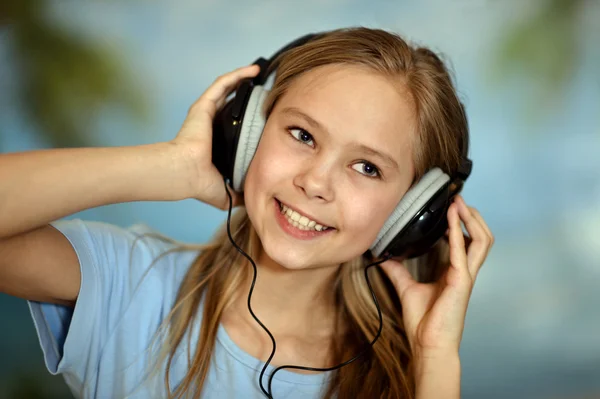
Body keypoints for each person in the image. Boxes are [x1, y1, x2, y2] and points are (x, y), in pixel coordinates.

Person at [0, 27, 494, 398]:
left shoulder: (406, 373)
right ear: (246, 135)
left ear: (413, 215)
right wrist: (171, 168)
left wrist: (434, 362)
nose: (315, 182)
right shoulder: (131, 284)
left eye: (366, 167)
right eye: (302, 135)